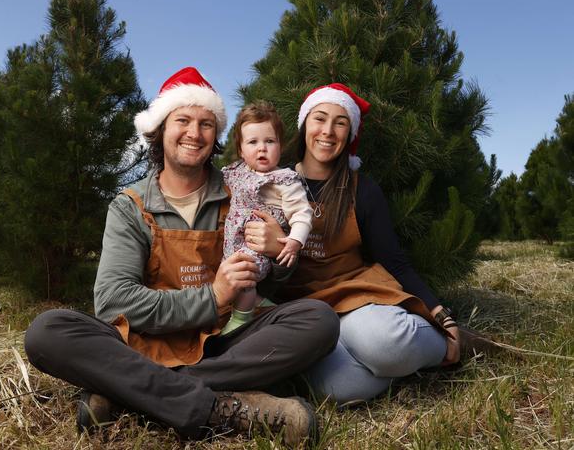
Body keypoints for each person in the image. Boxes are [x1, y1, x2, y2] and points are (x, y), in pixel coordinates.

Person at [23, 67, 340, 446]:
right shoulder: (131, 207)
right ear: (160, 130)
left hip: (225, 342)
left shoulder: (240, 191)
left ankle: (130, 393)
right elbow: (112, 302)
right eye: (183, 120)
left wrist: (276, 250)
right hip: (141, 343)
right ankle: (223, 405)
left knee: (318, 319)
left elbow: (269, 280)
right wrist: (212, 296)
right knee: (48, 331)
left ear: (218, 137)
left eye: (207, 124)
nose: (195, 133)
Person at [245, 83, 460, 406]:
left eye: (340, 122)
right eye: (319, 119)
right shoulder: (272, 184)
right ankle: (392, 363)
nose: (328, 131)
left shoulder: (362, 190)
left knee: (383, 342)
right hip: (306, 314)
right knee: (337, 389)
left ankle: (442, 346)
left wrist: (440, 313)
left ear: (349, 133)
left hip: (357, 301)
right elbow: (258, 273)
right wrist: (277, 253)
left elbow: (394, 260)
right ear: (305, 124)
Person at [220, 102, 313, 334]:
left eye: (269, 141)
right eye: (253, 142)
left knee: (244, 275)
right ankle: (260, 304)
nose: (262, 149)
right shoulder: (237, 172)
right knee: (227, 274)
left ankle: (241, 318)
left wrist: (294, 242)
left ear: (279, 146)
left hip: (259, 247)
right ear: (241, 150)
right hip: (233, 240)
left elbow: (302, 214)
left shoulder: (284, 181)